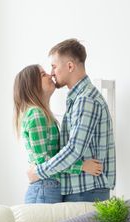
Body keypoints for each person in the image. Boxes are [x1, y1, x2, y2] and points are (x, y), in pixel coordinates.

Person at [27, 39, 116, 202]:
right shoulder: (78, 99)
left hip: (86, 191)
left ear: (69, 66)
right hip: (82, 189)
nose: (52, 73)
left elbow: (74, 150)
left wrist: (38, 171)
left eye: (54, 66)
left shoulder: (85, 100)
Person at [13, 64, 103, 204]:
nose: (50, 75)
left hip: (48, 187)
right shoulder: (36, 115)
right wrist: (82, 166)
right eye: (43, 75)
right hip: (44, 187)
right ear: (32, 86)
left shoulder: (43, 114)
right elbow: (44, 163)